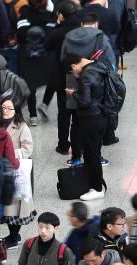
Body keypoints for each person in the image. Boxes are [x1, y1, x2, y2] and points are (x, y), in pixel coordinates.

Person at [62, 52, 108, 201]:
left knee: (91, 154)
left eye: (71, 71)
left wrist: (74, 94)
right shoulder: (98, 65)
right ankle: (95, 182)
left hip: (91, 118)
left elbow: (85, 101)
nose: (73, 74)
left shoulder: (86, 75)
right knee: (94, 151)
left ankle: (97, 188)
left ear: (74, 65)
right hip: (101, 115)